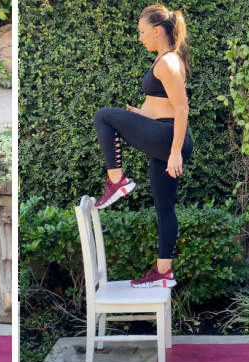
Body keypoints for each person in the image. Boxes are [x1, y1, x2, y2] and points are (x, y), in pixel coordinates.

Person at [92, 5, 194, 289]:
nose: (140, 37)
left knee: (103, 116)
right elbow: (165, 107)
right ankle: (164, 272)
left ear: (157, 30)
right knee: (164, 208)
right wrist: (142, 117)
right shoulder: (167, 60)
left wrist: (174, 152)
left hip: (170, 138)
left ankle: (117, 181)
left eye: (142, 31)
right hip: (164, 134)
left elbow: (182, 108)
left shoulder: (167, 62)